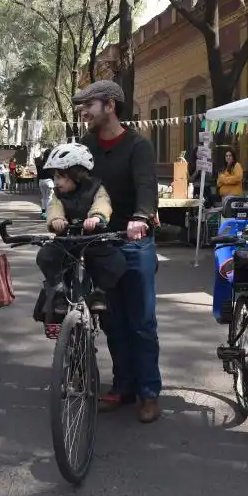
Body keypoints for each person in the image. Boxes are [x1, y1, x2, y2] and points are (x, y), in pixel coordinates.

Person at [75, 80, 161, 424]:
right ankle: (123, 386)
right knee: (112, 319)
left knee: (141, 322)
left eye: (89, 106)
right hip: (99, 241)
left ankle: (149, 392)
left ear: (110, 106)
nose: (84, 113)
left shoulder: (138, 145)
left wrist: (141, 217)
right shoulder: (85, 146)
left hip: (134, 239)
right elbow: (74, 183)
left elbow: (146, 186)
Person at [35, 143, 126, 339]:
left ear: (76, 174)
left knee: (115, 261)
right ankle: (59, 290)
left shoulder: (96, 188)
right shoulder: (58, 194)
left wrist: (96, 217)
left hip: (93, 238)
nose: (56, 181)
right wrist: (57, 220)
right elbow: (54, 208)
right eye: (55, 176)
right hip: (68, 239)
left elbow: (103, 203)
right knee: (46, 256)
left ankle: (100, 292)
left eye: (60, 176)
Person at [35, 147, 54, 219]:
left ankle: (43, 212)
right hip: (49, 181)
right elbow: (52, 174)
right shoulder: (50, 163)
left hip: (41, 181)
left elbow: (38, 174)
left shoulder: (40, 162)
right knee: (49, 197)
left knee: (44, 197)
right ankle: (47, 213)